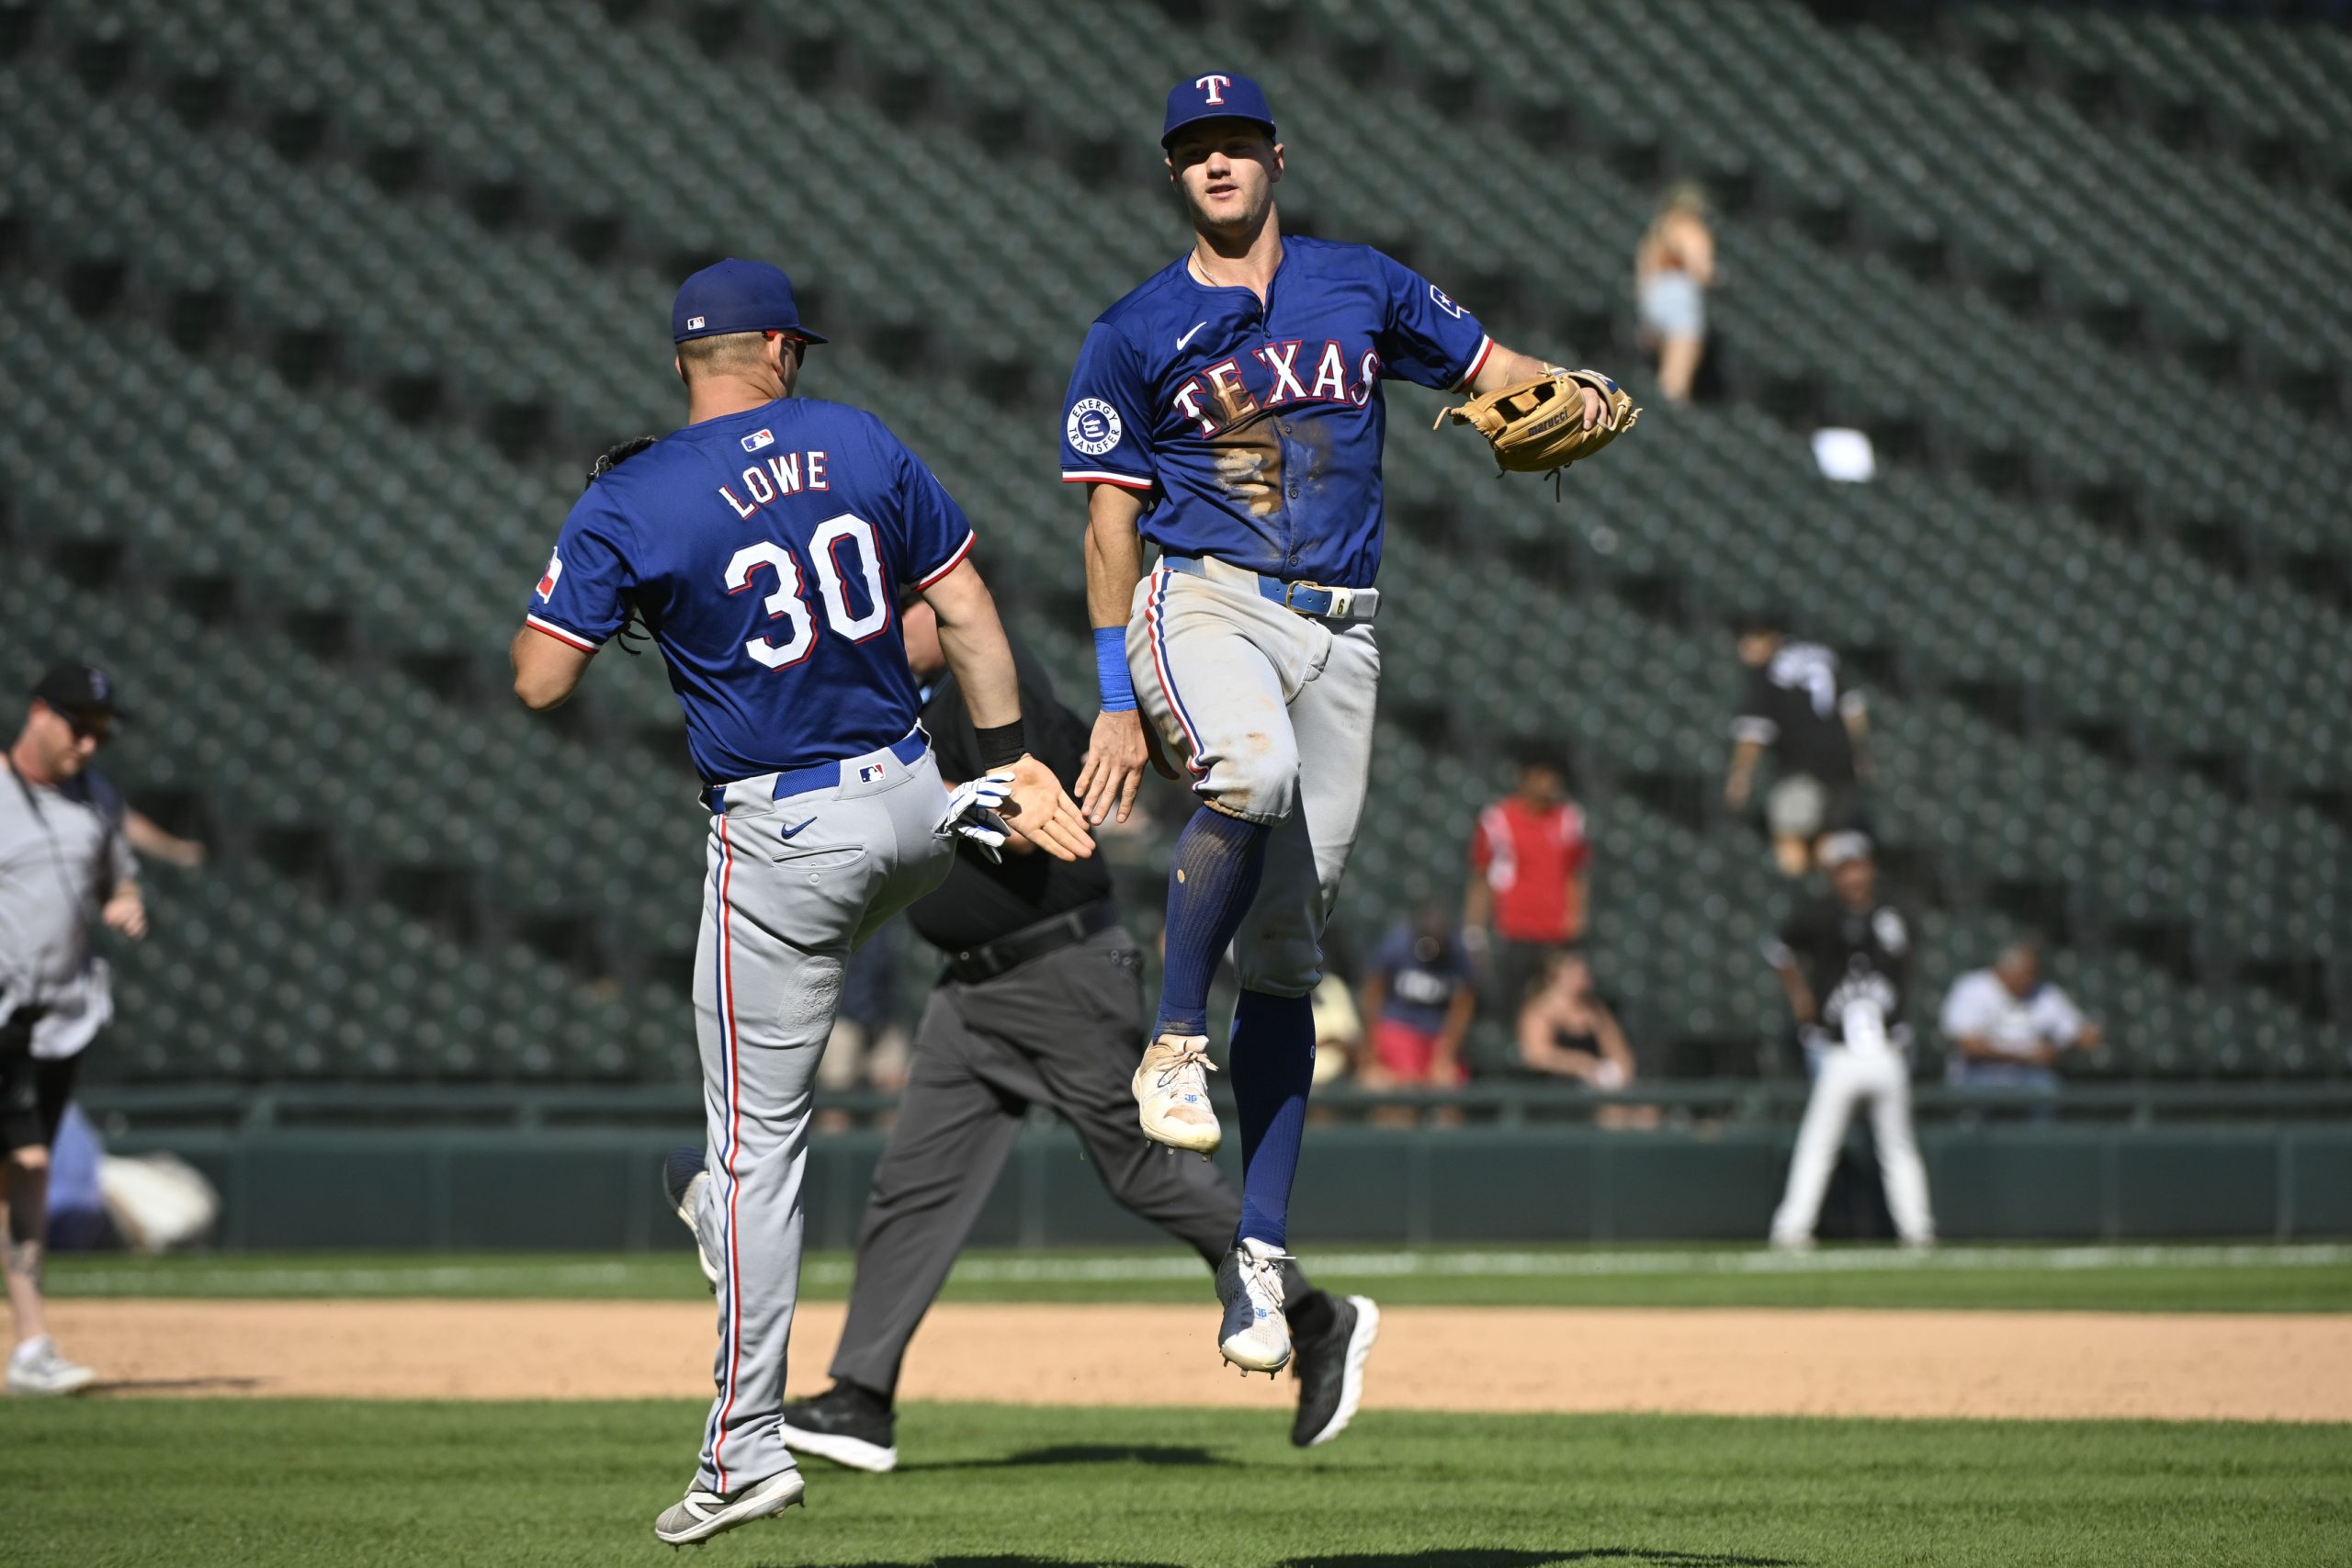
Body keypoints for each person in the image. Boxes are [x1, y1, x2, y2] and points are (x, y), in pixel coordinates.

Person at [510, 258, 1094, 1548]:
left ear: (686, 360)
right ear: (777, 348)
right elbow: (970, 608)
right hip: (911, 801)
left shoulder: (634, 495)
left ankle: (743, 1450)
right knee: (750, 1133)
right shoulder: (857, 439)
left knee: (755, 1154)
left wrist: (619, 582)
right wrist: (1007, 761)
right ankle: (982, 809)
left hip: (783, 836)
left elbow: (539, 679)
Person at [1063, 70, 1622, 1376]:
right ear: (1172, 173)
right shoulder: (1133, 330)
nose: (1216, 162)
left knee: (1299, 955)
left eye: (1235, 142)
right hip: (1204, 598)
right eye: (1192, 148)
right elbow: (1107, 523)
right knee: (1246, 773)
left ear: (1274, 155)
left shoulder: (1360, 282)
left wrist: (1578, 390)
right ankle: (1173, 1045)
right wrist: (1112, 696)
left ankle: (1259, 1259)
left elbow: (1496, 373)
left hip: (1345, 632)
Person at [777, 598, 1380, 1472]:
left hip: (1056, 972)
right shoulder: (918, 700)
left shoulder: (992, 683)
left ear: (935, 610)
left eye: (899, 609)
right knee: (912, 1187)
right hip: (973, 992)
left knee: (1144, 1167)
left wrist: (902, 800)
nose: (880, 630)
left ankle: (1318, 1318)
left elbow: (1024, 834)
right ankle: (861, 1399)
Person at [2, 662, 148, 1396]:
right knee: (25, 1164)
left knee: (27, 1172)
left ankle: (31, 1347)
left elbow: (116, 876)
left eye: (99, 732)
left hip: (60, 1017)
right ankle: (31, 1344)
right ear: (39, 714)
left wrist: (124, 900)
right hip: (2, 1015)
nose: (89, 745)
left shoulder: (95, 798)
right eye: (79, 727)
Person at [1763, 833, 1935, 1250]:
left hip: (1886, 1048)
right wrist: (1800, 995)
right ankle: (1792, 1229)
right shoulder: (1819, 914)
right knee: (1819, 1143)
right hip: (1837, 1050)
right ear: (1833, 874)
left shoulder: (1894, 915)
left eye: (1858, 864)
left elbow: (1910, 967)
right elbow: (1777, 950)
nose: (1853, 874)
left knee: (1898, 1146)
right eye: (1844, 867)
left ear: (1870, 867)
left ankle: (1919, 1231)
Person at [1723, 612, 1871, 878]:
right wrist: (1860, 752)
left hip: (1803, 765)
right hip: (1842, 764)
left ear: (1773, 638)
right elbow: (1854, 709)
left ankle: (1797, 895)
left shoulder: (1767, 670)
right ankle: (1824, 893)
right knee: (1828, 836)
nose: (1745, 647)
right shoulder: (1824, 654)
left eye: (1753, 639)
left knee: (1789, 836)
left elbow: (1754, 731)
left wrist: (1740, 774)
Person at [1464, 750, 1592, 1022]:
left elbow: (1576, 873)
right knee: (1511, 1008)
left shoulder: (1568, 819)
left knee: (1556, 1010)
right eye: (1543, 775)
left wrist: (1576, 915)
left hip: (1555, 932)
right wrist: (1475, 927)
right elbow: (1482, 876)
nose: (1550, 783)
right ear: (1525, 778)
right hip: (1514, 928)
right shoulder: (1498, 819)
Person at [1940, 938, 2102, 1094]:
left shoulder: (2044, 993)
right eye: (2025, 974)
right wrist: (2028, 1056)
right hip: (1979, 1073)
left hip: (2030, 1076)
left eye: (2034, 974)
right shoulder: (1972, 987)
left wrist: (2063, 1049)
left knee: (2046, 1088)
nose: (2030, 980)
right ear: (2004, 969)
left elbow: (2080, 1034)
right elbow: (1969, 1046)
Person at [1359, 904, 1476, 1089]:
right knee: (1404, 1082)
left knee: (1451, 1082)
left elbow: (1463, 1004)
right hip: (1399, 1026)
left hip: (1438, 1035)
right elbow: (1373, 993)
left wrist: (1447, 1052)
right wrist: (1370, 1052)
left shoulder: (1457, 953)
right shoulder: (1396, 945)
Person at [1634, 181, 1714, 403]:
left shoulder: (1659, 229)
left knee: (1663, 372)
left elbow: (1644, 273)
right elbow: (1701, 269)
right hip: (1679, 295)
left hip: (1654, 297)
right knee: (1676, 378)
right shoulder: (1690, 228)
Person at [1515, 951, 1635, 1091]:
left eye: (1584, 972)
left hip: (1597, 1087)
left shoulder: (1595, 1008)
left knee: (1644, 1109)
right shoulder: (1539, 1011)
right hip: (1555, 1088)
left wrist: (1621, 1073)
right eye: (1573, 971)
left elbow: (1617, 1048)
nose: (1582, 976)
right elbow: (1537, 1056)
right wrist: (1580, 1063)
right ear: (1554, 976)